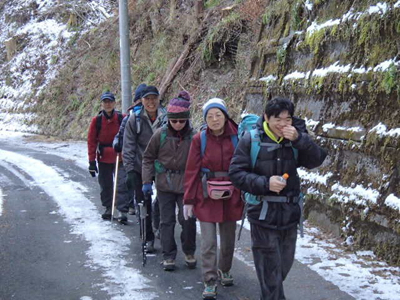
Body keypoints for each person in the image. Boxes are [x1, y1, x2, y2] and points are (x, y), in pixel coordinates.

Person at [229, 97, 327, 300]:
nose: (283, 124)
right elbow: (236, 173)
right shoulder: (252, 139)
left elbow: (316, 160)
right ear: (266, 118)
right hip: (262, 214)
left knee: (282, 267)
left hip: (289, 214)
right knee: (270, 273)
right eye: (278, 119)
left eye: (288, 119)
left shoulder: (295, 139)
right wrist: (265, 183)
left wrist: (300, 140)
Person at [183, 98, 244, 300]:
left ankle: (224, 269)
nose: (215, 119)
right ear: (205, 119)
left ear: (226, 116)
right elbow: (192, 171)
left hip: (231, 196)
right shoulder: (199, 139)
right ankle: (209, 281)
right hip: (206, 196)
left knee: (227, 241)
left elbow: (245, 167)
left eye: (218, 115)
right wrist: (189, 200)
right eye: (210, 116)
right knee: (208, 242)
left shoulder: (238, 138)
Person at [142, 91, 197, 271]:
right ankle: (168, 255)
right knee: (166, 221)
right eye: (175, 121)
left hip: (186, 184)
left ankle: (189, 251)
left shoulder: (193, 137)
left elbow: (200, 160)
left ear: (187, 120)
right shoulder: (160, 134)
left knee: (187, 218)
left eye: (182, 121)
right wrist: (146, 181)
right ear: (169, 120)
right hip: (164, 183)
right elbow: (148, 157)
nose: (178, 124)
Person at [123, 85, 167, 253]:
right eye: (147, 99)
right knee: (143, 203)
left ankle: (162, 232)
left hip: (162, 166)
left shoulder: (166, 117)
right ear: (142, 100)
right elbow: (128, 147)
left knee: (164, 202)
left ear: (158, 99)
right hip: (141, 166)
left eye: (153, 98)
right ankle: (147, 238)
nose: (151, 102)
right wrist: (130, 171)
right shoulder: (135, 119)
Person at [87, 91, 130, 224]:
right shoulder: (97, 120)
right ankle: (108, 208)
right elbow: (92, 141)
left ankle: (122, 211)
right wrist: (92, 161)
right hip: (104, 157)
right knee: (106, 185)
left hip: (120, 157)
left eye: (110, 101)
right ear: (102, 104)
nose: (108, 104)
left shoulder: (122, 118)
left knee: (122, 184)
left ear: (114, 103)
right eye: (105, 102)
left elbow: (128, 137)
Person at [113, 83, 147, 216]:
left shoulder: (155, 116)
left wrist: (118, 143)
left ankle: (134, 209)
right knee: (129, 184)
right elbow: (120, 137)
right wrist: (118, 144)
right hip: (134, 159)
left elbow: (119, 138)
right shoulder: (130, 118)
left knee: (134, 186)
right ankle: (129, 209)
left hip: (142, 160)